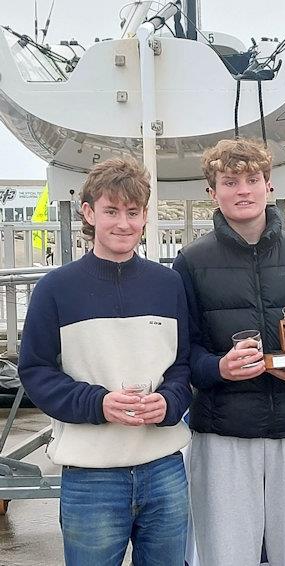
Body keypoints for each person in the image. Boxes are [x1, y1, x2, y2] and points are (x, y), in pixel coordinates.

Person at [172, 138, 285, 566]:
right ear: (212, 192)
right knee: (226, 557)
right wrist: (219, 368)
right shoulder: (191, 261)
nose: (243, 190)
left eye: (252, 179)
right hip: (224, 435)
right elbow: (182, 354)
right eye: (230, 182)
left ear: (269, 186)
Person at [18, 157, 193, 566]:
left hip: (164, 469)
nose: (123, 223)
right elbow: (36, 372)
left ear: (145, 216)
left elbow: (183, 365)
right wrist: (98, 404)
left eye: (133, 213)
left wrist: (169, 402)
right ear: (89, 212)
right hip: (90, 477)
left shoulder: (169, 285)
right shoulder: (55, 289)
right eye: (111, 211)